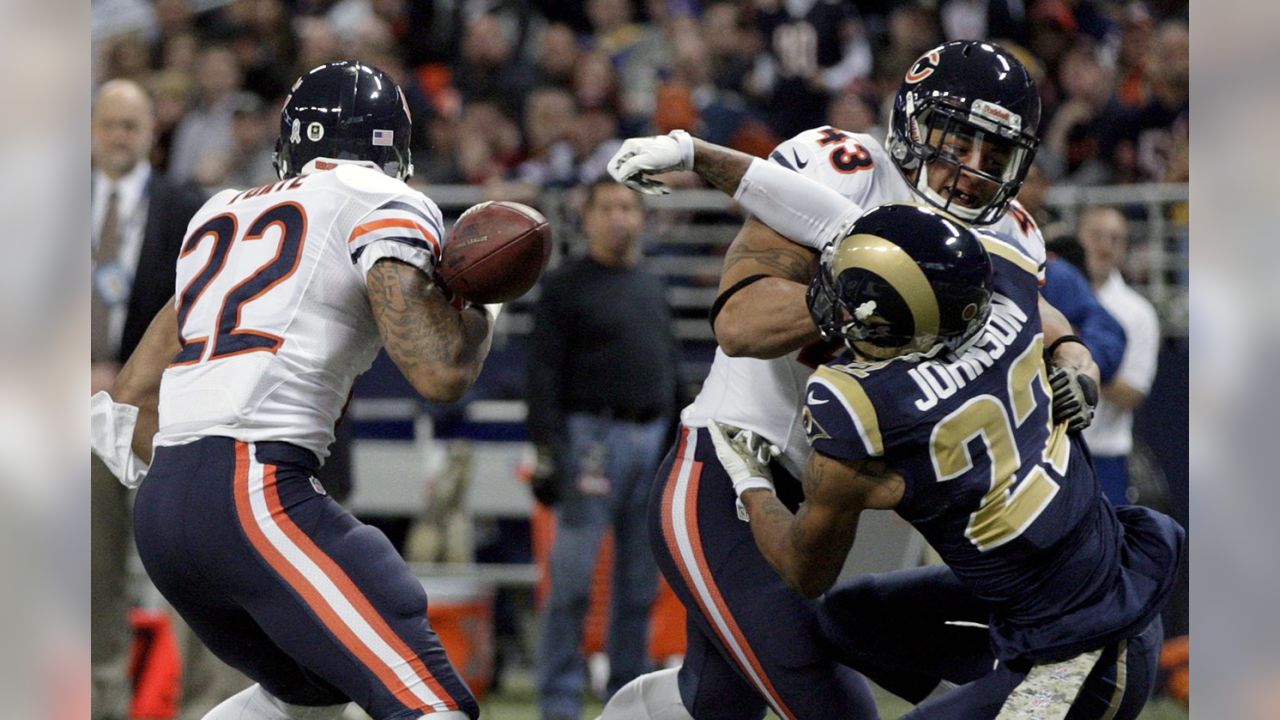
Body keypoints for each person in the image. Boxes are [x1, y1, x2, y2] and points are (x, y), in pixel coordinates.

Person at [599, 41, 1088, 720]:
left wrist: (1069, 354)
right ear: (916, 121)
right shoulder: (845, 169)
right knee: (829, 703)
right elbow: (739, 321)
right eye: (960, 138)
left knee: (712, 705)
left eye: (996, 153)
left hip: (835, 494)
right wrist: (841, 305)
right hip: (735, 471)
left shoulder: (1010, 233)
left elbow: (1036, 308)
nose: (973, 171)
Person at [91, 61, 495, 720]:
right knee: (432, 700)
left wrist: (190, 489)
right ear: (390, 143)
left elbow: (134, 389)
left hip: (163, 510)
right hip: (255, 488)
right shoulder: (381, 198)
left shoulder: (221, 210)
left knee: (309, 695)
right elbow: (438, 372)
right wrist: (483, 315)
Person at [722, 203, 1184, 719]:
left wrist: (750, 483)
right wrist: (1077, 356)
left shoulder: (861, 403)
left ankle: (1029, 704)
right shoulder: (1003, 289)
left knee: (837, 610)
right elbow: (1048, 317)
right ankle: (988, 697)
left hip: (1085, 654)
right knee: (850, 619)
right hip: (1094, 575)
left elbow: (805, 572)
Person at [525, 179, 683, 720]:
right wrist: (546, 449)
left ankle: (627, 699)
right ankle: (560, 703)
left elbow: (671, 368)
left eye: (628, 207)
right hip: (588, 440)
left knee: (640, 586)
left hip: (651, 439)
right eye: (608, 207)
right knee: (572, 582)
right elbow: (541, 373)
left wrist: (679, 441)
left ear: (642, 218)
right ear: (586, 217)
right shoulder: (565, 286)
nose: (619, 217)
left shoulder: (650, 285)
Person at [90, 77, 208, 720]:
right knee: (81, 572)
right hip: (69, 415)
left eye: (131, 125)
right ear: (89, 131)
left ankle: (204, 708)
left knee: (187, 565)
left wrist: (133, 376)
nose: (118, 136)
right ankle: (91, 703)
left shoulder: (185, 208)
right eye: (108, 123)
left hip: (160, 415)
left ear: (151, 134)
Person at [1078, 206, 1161, 505]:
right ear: (1079, 238)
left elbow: (1132, 394)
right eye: (1097, 235)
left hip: (1104, 456)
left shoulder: (1138, 313)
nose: (1105, 246)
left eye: (1116, 239)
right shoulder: (1050, 297)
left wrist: (1073, 355)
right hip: (1046, 454)